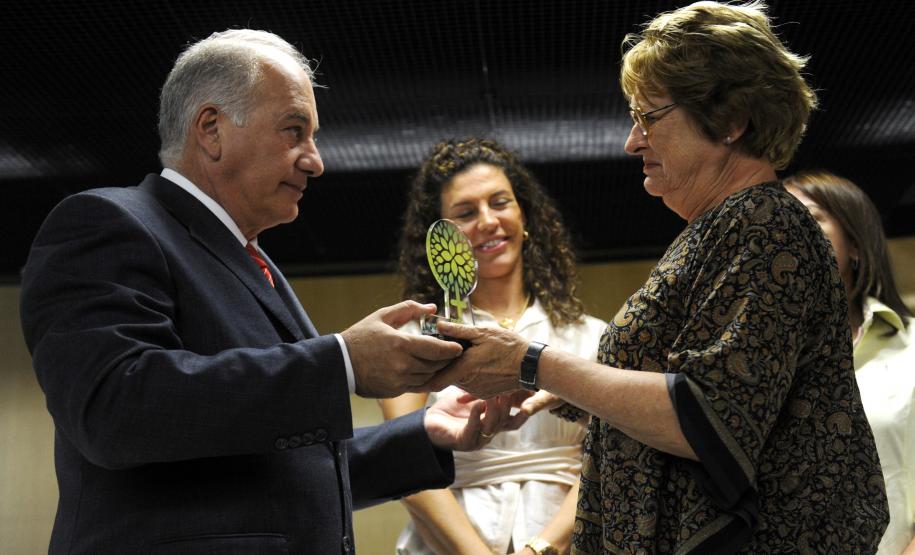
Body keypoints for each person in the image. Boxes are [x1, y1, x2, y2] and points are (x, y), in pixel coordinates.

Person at [19, 29, 521, 554]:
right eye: (294, 130)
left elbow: (279, 465)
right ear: (211, 129)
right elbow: (114, 408)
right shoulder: (107, 223)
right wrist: (342, 362)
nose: (315, 160)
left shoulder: (253, 261)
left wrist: (426, 432)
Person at [424, 2, 890, 552]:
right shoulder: (722, 228)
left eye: (649, 117)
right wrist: (551, 391)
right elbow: (696, 384)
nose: (632, 141)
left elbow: (707, 416)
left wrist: (530, 362)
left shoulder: (763, 223)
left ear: (731, 120)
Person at [380, 138, 606, 555]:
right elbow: (402, 460)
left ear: (524, 217)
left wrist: (542, 547)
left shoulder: (592, 336)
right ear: (440, 237)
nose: (487, 221)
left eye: (500, 202)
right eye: (465, 213)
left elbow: (609, 460)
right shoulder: (417, 334)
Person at [785, 170, 915, 555]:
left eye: (807, 217)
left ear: (855, 244)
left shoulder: (911, 349)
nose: (786, 235)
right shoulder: (745, 363)